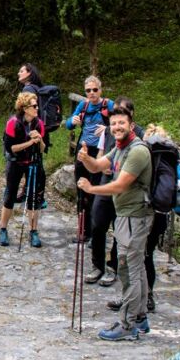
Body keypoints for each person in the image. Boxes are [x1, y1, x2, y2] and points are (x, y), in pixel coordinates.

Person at [77, 108, 153, 341]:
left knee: (128, 270)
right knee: (135, 268)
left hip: (135, 217)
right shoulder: (120, 147)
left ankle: (128, 325)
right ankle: (140, 319)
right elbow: (99, 165)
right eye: (114, 123)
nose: (117, 127)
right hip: (126, 216)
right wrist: (86, 158)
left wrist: (92, 189)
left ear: (131, 125)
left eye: (122, 123)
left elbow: (120, 185)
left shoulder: (137, 151)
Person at [108, 122, 167, 315]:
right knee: (143, 259)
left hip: (139, 213)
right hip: (157, 212)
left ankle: (131, 318)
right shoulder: (165, 158)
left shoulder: (141, 152)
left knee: (133, 264)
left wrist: (92, 189)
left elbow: (121, 183)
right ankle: (143, 306)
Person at [87, 96, 143, 287]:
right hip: (106, 180)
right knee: (97, 223)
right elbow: (101, 156)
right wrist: (95, 163)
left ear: (131, 117)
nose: (117, 122)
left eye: (122, 115)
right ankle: (97, 265)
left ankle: (113, 267)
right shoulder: (110, 132)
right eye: (115, 115)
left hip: (125, 189)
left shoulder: (139, 138)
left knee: (120, 230)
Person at [65, 76, 114, 241]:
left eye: (95, 89)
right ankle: (83, 232)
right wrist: (73, 120)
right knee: (82, 191)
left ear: (100, 90)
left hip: (101, 152)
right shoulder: (83, 105)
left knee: (97, 192)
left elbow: (122, 125)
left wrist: (107, 129)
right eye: (88, 90)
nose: (92, 93)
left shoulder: (109, 105)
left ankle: (97, 232)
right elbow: (68, 125)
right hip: (83, 151)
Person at [0, 92, 46, 248]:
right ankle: (3, 229)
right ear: (25, 108)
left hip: (33, 162)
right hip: (15, 162)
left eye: (36, 105)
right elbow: (11, 148)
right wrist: (30, 142)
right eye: (34, 106)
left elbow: (43, 148)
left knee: (33, 197)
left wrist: (39, 140)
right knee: (10, 194)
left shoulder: (38, 123)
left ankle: (33, 231)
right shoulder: (13, 123)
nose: (37, 108)